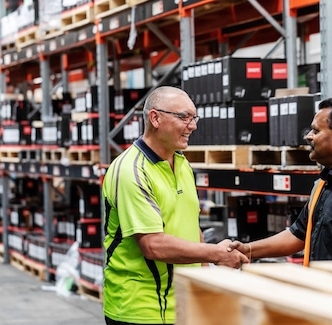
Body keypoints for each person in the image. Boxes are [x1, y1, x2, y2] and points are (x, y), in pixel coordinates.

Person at [102, 86, 249, 325]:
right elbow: (153, 245)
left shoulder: (181, 163)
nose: (193, 125)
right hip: (141, 309)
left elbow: (191, 227)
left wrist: (208, 279)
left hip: (181, 301)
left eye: (194, 117)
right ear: (155, 118)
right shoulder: (131, 170)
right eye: (184, 117)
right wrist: (216, 254)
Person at [229, 97, 332, 266]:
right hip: (322, 288)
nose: (308, 136)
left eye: (316, 131)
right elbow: (297, 235)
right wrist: (247, 250)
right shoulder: (323, 184)